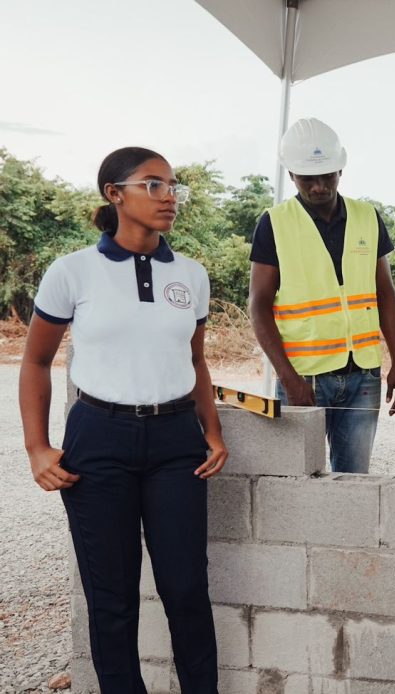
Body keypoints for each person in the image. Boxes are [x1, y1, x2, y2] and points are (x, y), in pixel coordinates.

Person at [19, 147, 228, 692]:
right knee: (111, 598)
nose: (170, 198)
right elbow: (36, 362)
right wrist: (37, 448)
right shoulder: (72, 272)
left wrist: (212, 431)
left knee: (185, 590)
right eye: (154, 185)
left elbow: (197, 359)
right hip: (99, 437)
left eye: (173, 186)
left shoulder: (191, 275)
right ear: (115, 194)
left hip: (176, 443)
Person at [248, 118, 395, 474]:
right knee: (293, 479)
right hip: (304, 378)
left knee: (353, 482)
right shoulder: (273, 223)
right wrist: (288, 379)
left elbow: (385, 293)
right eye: (307, 178)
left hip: (363, 375)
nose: (319, 186)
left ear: (340, 169)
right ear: (291, 175)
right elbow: (258, 305)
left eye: (327, 176)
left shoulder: (367, 217)